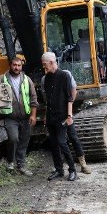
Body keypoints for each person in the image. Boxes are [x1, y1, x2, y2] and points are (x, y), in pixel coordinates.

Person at [40, 52, 78, 181]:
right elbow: (48, 100)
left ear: (51, 62)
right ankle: (59, 170)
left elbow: (69, 97)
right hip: (51, 117)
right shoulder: (46, 78)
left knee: (62, 143)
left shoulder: (64, 76)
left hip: (62, 116)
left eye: (45, 65)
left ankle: (72, 170)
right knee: (54, 144)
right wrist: (46, 115)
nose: (44, 67)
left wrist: (69, 115)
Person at [0, 57, 39, 176]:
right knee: (13, 138)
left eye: (19, 65)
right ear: (10, 65)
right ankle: (11, 162)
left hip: (25, 116)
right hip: (10, 116)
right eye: (14, 65)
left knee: (24, 140)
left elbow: (33, 98)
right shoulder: (2, 79)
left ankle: (21, 165)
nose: (17, 67)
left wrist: (33, 115)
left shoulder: (27, 80)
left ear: (22, 66)